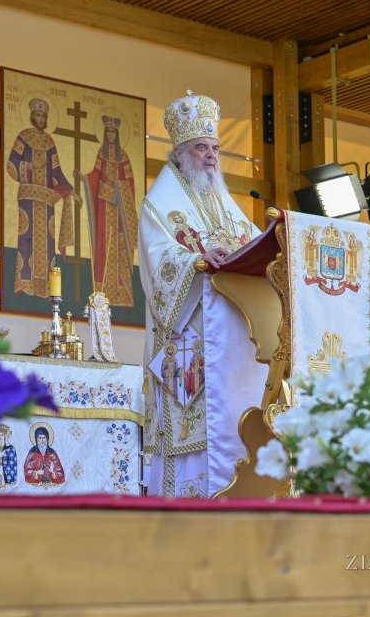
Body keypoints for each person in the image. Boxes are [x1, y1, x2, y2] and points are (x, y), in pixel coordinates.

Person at [138, 90, 259, 498]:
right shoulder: (159, 205)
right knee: (191, 439)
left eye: (215, 148)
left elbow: (256, 245)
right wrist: (196, 262)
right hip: (188, 342)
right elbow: (159, 261)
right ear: (179, 154)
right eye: (201, 147)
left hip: (232, 347)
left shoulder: (225, 203)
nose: (211, 156)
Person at [6, 98, 76, 297]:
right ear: (31, 116)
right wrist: (29, 167)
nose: (40, 118)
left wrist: (70, 190)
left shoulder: (49, 142)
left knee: (47, 242)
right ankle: (23, 282)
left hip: (46, 201)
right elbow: (11, 165)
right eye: (37, 115)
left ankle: (44, 286)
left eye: (43, 116)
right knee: (26, 237)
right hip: (28, 198)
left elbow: (56, 172)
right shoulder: (23, 137)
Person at [76, 114, 137, 307]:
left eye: (113, 131)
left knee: (119, 248)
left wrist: (118, 193)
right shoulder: (101, 153)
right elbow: (95, 176)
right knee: (104, 247)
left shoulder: (124, 156)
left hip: (120, 213)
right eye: (108, 131)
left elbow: (130, 184)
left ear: (117, 134)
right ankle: (103, 293)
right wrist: (84, 178)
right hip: (104, 210)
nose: (110, 134)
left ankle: (123, 293)